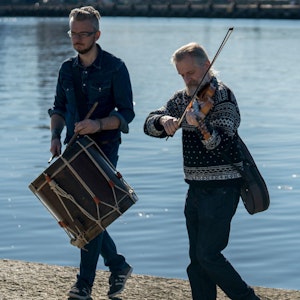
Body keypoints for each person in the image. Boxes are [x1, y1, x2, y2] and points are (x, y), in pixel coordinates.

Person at [143, 42, 260, 300]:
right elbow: (149, 124)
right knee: (196, 262)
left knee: (209, 255)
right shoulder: (183, 98)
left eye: (190, 73)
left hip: (222, 188)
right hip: (195, 189)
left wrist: (202, 127)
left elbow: (222, 142)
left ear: (206, 66)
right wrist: (164, 121)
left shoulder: (223, 97)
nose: (187, 79)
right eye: (182, 75)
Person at [48, 6, 134, 300]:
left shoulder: (116, 67)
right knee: (79, 213)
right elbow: (58, 108)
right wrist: (55, 137)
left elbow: (127, 114)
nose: (77, 39)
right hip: (72, 148)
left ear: (97, 34)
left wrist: (98, 124)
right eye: (73, 33)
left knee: (91, 212)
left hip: (104, 149)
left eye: (84, 34)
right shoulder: (66, 69)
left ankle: (83, 284)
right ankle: (117, 265)